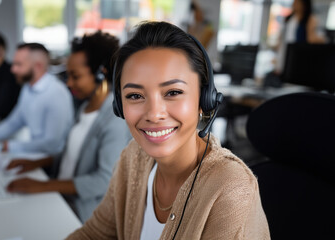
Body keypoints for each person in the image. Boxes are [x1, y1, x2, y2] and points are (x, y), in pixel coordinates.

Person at [67, 21, 270, 239]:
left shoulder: (230, 189)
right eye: (135, 95)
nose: (154, 114)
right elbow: (96, 233)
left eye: (173, 92)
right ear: (119, 106)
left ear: (204, 99)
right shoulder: (134, 157)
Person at [5, 31, 130, 222]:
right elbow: (73, 156)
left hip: (81, 213)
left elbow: (104, 180)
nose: (69, 83)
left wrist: (42, 185)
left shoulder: (115, 119)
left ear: (100, 74)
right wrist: (37, 163)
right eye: (68, 75)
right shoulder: (85, 106)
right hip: (59, 198)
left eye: (75, 76)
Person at [0, 43, 74, 155]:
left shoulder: (56, 93)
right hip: (35, 154)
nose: (13, 69)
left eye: (19, 65)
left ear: (38, 66)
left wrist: (8, 146)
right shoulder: (27, 88)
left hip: (51, 162)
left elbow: (52, 144)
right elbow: (15, 121)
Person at [274, 0, 325, 74]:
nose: (294, 4)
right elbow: (281, 39)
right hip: (285, 53)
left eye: (297, 2)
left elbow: (311, 38)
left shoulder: (310, 19)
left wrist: (324, 39)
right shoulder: (289, 19)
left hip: (300, 55)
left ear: (304, 4)